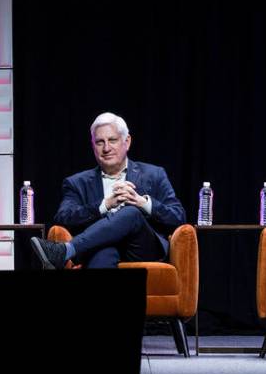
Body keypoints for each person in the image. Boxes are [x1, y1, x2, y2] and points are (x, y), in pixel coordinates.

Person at [30, 111, 186, 269]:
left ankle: (66, 251)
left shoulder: (154, 174)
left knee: (132, 213)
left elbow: (178, 216)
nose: (106, 148)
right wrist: (104, 205)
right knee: (102, 254)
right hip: (99, 247)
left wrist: (142, 202)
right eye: (99, 142)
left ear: (127, 142)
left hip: (142, 247)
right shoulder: (77, 182)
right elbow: (63, 217)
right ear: (93, 146)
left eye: (112, 140)